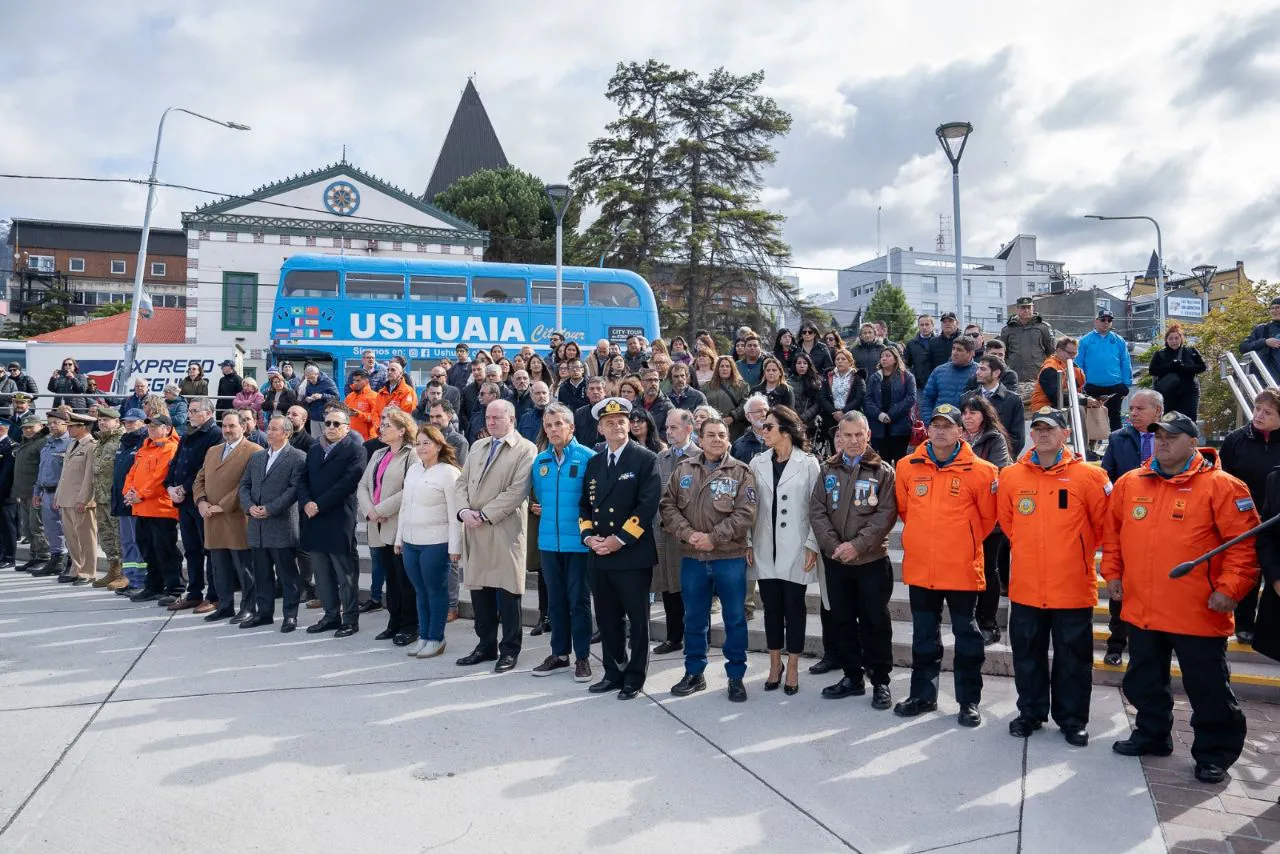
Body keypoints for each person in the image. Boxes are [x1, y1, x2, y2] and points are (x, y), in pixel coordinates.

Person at [1103, 411, 1257, 785]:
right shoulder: (1129, 483)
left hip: (1198, 610)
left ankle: (1213, 754)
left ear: (1193, 442)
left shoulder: (1224, 486)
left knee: (1208, 690)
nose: (1163, 442)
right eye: (1158, 437)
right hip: (1142, 609)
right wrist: (1113, 575)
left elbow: (1245, 548)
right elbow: (1113, 535)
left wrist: (1229, 589)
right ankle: (1152, 735)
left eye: (1172, 436)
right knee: (1144, 681)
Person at [998, 407, 1111, 747]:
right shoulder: (1012, 477)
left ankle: (1072, 719)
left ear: (1065, 434)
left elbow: (1103, 527)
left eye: (1050, 429)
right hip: (1027, 586)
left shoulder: (1090, 476)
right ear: (1031, 435)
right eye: (1037, 429)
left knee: (1073, 658)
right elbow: (1008, 522)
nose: (1043, 434)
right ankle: (1030, 712)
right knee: (1027, 654)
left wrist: (1073, 550)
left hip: (1072, 585)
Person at [893, 403, 998, 726]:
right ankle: (923, 695)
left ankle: (968, 702)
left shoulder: (982, 471)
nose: (939, 431)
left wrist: (959, 541)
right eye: (935, 425)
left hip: (961, 569)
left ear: (960, 431)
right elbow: (905, 510)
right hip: (922, 568)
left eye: (947, 426)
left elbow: (987, 519)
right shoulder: (907, 466)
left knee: (967, 639)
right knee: (924, 637)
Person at [660, 416, 758, 702]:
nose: (717, 439)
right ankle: (694, 673)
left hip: (729, 557)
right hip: (692, 556)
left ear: (729, 439)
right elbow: (667, 506)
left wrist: (713, 537)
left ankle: (736, 676)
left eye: (722, 435)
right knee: (694, 619)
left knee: (735, 619)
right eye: (711, 434)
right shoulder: (683, 469)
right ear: (699, 439)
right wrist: (689, 535)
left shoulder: (741, 472)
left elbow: (746, 512)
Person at [809, 411, 898, 707]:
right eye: (847, 435)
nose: (853, 440)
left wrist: (857, 546)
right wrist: (835, 546)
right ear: (839, 437)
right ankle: (852, 677)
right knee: (842, 620)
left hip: (871, 562)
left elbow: (885, 515)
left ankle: (881, 681)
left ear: (868, 435)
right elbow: (817, 511)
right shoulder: (827, 470)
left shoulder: (883, 472)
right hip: (837, 562)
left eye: (859, 434)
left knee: (875, 622)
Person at [454, 400, 538, 671]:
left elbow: (518, 490)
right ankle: (485, 644)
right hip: (474, 528)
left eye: (497, 418)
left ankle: (510, 649)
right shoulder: (478, 446)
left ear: (511, 419)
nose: (490, 422)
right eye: (488, 417)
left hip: (503, 529)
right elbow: (461, 483)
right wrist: (464, 511)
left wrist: (485, 514)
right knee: (480, 592)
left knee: (508, 591)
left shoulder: (525, 449)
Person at [747, 405, 820, 695]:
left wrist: (813, 543)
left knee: (795, 607)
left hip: (796, 547)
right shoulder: (757, 462)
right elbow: (749, 507)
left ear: (785, 430)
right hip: (766, 545)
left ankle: (792, 665)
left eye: (769, 426)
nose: (763, 431)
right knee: (771, 608)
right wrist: (748, 542)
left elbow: (818, 509)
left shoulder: (809, 463)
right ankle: (774, 663)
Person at [528, 403, 596, 681]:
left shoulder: (588, 458)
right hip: (548, 543)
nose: (553, 429)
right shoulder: (540, 461)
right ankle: (559, 654)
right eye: (548, 425)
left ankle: (582, 657)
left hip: (578, 545)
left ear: (571, 427)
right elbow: (540, 499)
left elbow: (594, 501)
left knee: (578, 603)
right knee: (554, 603)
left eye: (558, 424)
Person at [1098, 389, 1164, 665]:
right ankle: (1116, 644)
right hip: (1127, 523)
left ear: (1158, 412)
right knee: (1119, 589)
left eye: (1140, 409)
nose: (1133, 414)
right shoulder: (1118, 438)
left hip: (1162, 526)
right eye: (1131, 409)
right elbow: (1105, 476)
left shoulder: (1172, 437)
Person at [1218, 388, 1280, 645]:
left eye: (1267, 412)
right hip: (1243, 515)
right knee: (1247, 568)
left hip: (1275, 517)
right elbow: (1221, 479)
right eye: (1256, 409)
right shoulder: (1236, 440)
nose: (1259, 415)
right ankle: (1243, 622)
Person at [394, 425, 462, 658]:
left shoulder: (448, 473)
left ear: (439, 445)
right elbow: (404, 506)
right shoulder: (413, 469)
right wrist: (399, 538)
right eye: (418, 443)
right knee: (419, 591)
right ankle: (424, 636)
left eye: (427, 443)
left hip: (436, 541)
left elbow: (456, 513)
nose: (421, 447)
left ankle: (436, 637)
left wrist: (455, 547)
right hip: (411, 540)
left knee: (435, 590)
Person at [298, 407, 366, 637]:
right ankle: (330, 616)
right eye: (327, 423)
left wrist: (319, 504)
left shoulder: (355, 450)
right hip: (314, 519)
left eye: (337, 424)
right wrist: (307, 501)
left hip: (338, 519)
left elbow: (347, 483)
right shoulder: (315, 449)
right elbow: (303, 478)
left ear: (347, 427)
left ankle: (350, 619)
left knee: (345, 574)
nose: (331, 428)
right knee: (322, 573)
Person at [352, 408, 416, 646]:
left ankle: (410, 625)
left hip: (397, 525)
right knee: (390, 576)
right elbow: (363, 485)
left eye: (387, 425)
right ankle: (394, 622)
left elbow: (408, 489)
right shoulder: (379, 453)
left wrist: (380, 510)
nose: (382, 428)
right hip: (376, 525)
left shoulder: (412, 455)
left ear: (401, 431)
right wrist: (369, 510)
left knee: (404, 579)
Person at [239, 415, 307, 632]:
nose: (269, 432)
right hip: (257, 527)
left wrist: (270, 509)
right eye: (268, 428)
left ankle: (290, 616)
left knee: (287, 575)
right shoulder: (257, 457)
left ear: (286, 433)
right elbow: (245, 485)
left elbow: (294, 490)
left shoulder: (297, 457)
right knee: (262, 574)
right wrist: (250, 507)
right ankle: (264, 613)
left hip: (281, 525)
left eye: (275, 429)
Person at [194, 411, 259, 623]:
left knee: (244, 568)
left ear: (243, 427)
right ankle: (225, 605)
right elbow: (200, 478)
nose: (228, 430)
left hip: (236, 518)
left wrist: (222, 505)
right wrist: (201, 501)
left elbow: (247, 484)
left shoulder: (254, 451)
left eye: (232, 426)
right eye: (225, 426)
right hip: (211, 518)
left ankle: (248, 607)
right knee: (219, 566)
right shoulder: (213, 450)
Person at [959, 396, 1014, 646]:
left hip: (990, 518)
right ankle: (969, 618)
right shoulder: (956, 439)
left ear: (985, 415)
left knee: (989, 570)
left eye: (973, 412)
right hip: (962, 517)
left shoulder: (994, 439)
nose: (968, 417)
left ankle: (989, 622)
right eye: (965, 413)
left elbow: (998, 471)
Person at [162, 398, 222, 611]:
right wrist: (169, 486)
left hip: (202, 500)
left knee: (209, 549)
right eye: (190, 410)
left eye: (195, 411)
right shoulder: (188, 435)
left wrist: (184, 488)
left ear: (209, 413)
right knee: (192, 549)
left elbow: (205, 468)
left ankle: (215, 595)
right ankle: (195, 593)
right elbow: (175, 463)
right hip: (183, 502)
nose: (190, 414)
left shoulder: (215, 435)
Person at [124, 414, 183, 602]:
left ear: (167, 428)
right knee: (148, 549)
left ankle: (175, 588)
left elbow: (160, 477)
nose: (151, 429)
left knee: (165, 549)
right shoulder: (144, 448)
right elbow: (131, 474)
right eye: (149, 426)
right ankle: (154, 586)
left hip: (161, 510)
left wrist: (140, 494)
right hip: (141, 508)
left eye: (156, 426)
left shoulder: (170, 447)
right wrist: (128, 493)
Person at [653, 409, 698, 655]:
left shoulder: (700, 456)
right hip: (665, 533)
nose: (669, 432)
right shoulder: (662, 457)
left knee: (691, 590)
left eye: (674, 428)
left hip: (690, 536)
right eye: (667, 428)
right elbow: (657, 496)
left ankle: (693, 639)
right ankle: (673, 637)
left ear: (688, 429)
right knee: (669, 588)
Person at [55, 413, 98, 585]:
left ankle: (88, 571)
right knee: (71, 537)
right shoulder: (72, 443)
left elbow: (89, 476)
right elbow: (64, 474)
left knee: (86, 537)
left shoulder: (91, 446)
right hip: (66, 497)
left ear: (82, 427)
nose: (68, 428)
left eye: (72, 426)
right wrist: (58, 495)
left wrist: (84, 499)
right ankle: (76, 568)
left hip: (81, 499)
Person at [110, 410, 148, 592]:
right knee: (127, 542)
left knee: (137, 542)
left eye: (133, 422)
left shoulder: (144, 442)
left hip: (135, 501)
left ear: (142, 422)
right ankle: (131, 578)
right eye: (126, 422)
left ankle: (140, 581)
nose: (129, 425)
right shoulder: (124, 442)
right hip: (121, 500)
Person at [30, 410, 71, 579]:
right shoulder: (47, 443)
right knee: (51, 530)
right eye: (50, 423)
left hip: (62, 493)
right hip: (46, 492)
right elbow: (42, 470)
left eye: (56, 422)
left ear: (65, 424)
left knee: (68, 530)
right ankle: (56, 560)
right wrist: (36, 492)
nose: (52, 426)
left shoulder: (70, 443)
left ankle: (70, 562)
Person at [1077, 309, 1132, 432]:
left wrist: (1126, 384)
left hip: (1114, 385)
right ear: (1096, 321)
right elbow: (1078, 364)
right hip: (1091, 386)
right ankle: (1089, 449)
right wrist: (1081, 385)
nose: (1106, 322)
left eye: (1109, 320)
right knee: (1090, 418)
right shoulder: (1085, 340)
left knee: (1115, 417)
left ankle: (1117, 446)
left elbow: (1125, 362)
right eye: (1103, 319)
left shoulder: (1119, 340)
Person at [963, 355, 1025, 458]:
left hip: (1001, 459)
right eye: (978, 368)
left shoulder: (1013, 400)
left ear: (996, 373)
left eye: (983, 369)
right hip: (970, 459)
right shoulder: (966, 398)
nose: (977, 372)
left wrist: (1002, 456)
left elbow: (1018, 438)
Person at [864, 347, 915, 465]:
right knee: (882, 462)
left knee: (900, 461)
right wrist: (879, 415)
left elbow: (911, 398)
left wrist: (891, 414)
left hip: (900, 427)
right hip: (879, 427)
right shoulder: (874, 378)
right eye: (882, 356)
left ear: (895, 359)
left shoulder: (907, 377)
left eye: (888, 356)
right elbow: (867, 399)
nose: (884, 358)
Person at [1148, 324, 1207, 420]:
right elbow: (1152, 371)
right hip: (1167, 393)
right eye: (1170, 339)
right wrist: (1169, 367)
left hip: (1188, 392)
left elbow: (1202, 367)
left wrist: (1184, 367)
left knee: (1189, 420)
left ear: (1181, 338)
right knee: (1168, 421)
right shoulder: (1160, 354)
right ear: (1166, 340)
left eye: (1176, 338)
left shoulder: (1190, 351)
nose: (1174, 341)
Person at [14, 415, 49, 572]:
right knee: (28, 528)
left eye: (31, 427)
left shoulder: (43, 443)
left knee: (37, 527)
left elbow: (45, 468)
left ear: (40, 426)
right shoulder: (27, 442)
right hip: (24, 492)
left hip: (36, 492)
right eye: (25, 428)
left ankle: (44, 557)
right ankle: (34, 556)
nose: (27, 430)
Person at [920, 337, 979, 422]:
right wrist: (929, 422)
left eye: (959, 350)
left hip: (967, 426)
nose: (954, 353)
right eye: (953, 348)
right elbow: (927, 399)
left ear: (971, 353)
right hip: (940, 423)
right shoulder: (939, 371)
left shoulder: (979, 372)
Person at [1000, 296, 1054, 389]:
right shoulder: (1007, 329)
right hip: (1015, 376)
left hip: (1037, 374)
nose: (1026, 310)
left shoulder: (1043, 327)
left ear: (1033, 308)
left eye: (1029, 307)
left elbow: (1051, 352)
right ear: (1017, 309)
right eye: (1023, 307)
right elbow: (1003, 354)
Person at [1030, 336, 1087, 412]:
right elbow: (1056, 398)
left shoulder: (1073, 368)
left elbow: (1080, 391)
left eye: (1075, 353)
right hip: (1044, 410)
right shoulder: (1049, 369)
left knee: (1098, 408)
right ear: (1058, 351)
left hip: (1064, 407)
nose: (1073, 357)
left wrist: (1091, 400)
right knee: (1080, 408)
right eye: (1070, 353)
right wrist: (1084, 401)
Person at [703, 356, 750, 440]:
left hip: (735, 428)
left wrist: (733, 417)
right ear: (717, 369)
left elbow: (745, 404)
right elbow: (703, 405)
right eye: (722, 366)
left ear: (732, 369)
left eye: (727, 366)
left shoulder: (742, 386)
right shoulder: (707, 386)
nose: (724, 369)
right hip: (712, 426)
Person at [1240, 296, 1280, 384]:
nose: (1274, 311)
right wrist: (1264, 342)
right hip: (1268, 379)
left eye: (1277, 307)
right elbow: (1243, 347)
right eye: (1272, 308)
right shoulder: (1262, 328)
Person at [789, 353, 827, 442]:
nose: (802, 366)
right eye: (799, 363)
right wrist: (795, 420)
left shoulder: (816, 381)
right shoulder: (788, 382)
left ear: (809, 365)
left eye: (805, 363)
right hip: (792, 422)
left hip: (811, 423)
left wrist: (804, 419)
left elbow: (818, 404)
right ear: (794, 365)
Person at [296, 365, 339, 438]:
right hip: (314, 418)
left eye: (312, 377)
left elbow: (336, 398)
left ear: (317, 374)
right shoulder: (308, 383)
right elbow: (306, 397)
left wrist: (322, 396)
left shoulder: (328, 382)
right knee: (315, 440)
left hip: (326, 417)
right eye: (308, 378)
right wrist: (307, 399)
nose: (310, 380)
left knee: (328, 439)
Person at [0, 421, 19, 572]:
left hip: (5, 494)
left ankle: (9, 557)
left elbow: (6, 475)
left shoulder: (11, 446)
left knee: (7, 526)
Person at [904, 315, 939, 391]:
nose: (924, 327)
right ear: (918, 326)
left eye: (927, 324)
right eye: (921, 325)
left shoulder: (939, 342)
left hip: (937, 384)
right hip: (918, 385)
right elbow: (905, 363)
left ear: (932, 325)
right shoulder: (911, 344)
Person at [731, 394, 770, 464]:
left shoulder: (781, 440)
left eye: (766, 410)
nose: (764, 414)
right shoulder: (738, 445)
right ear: (748, 417)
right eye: (758, 411)